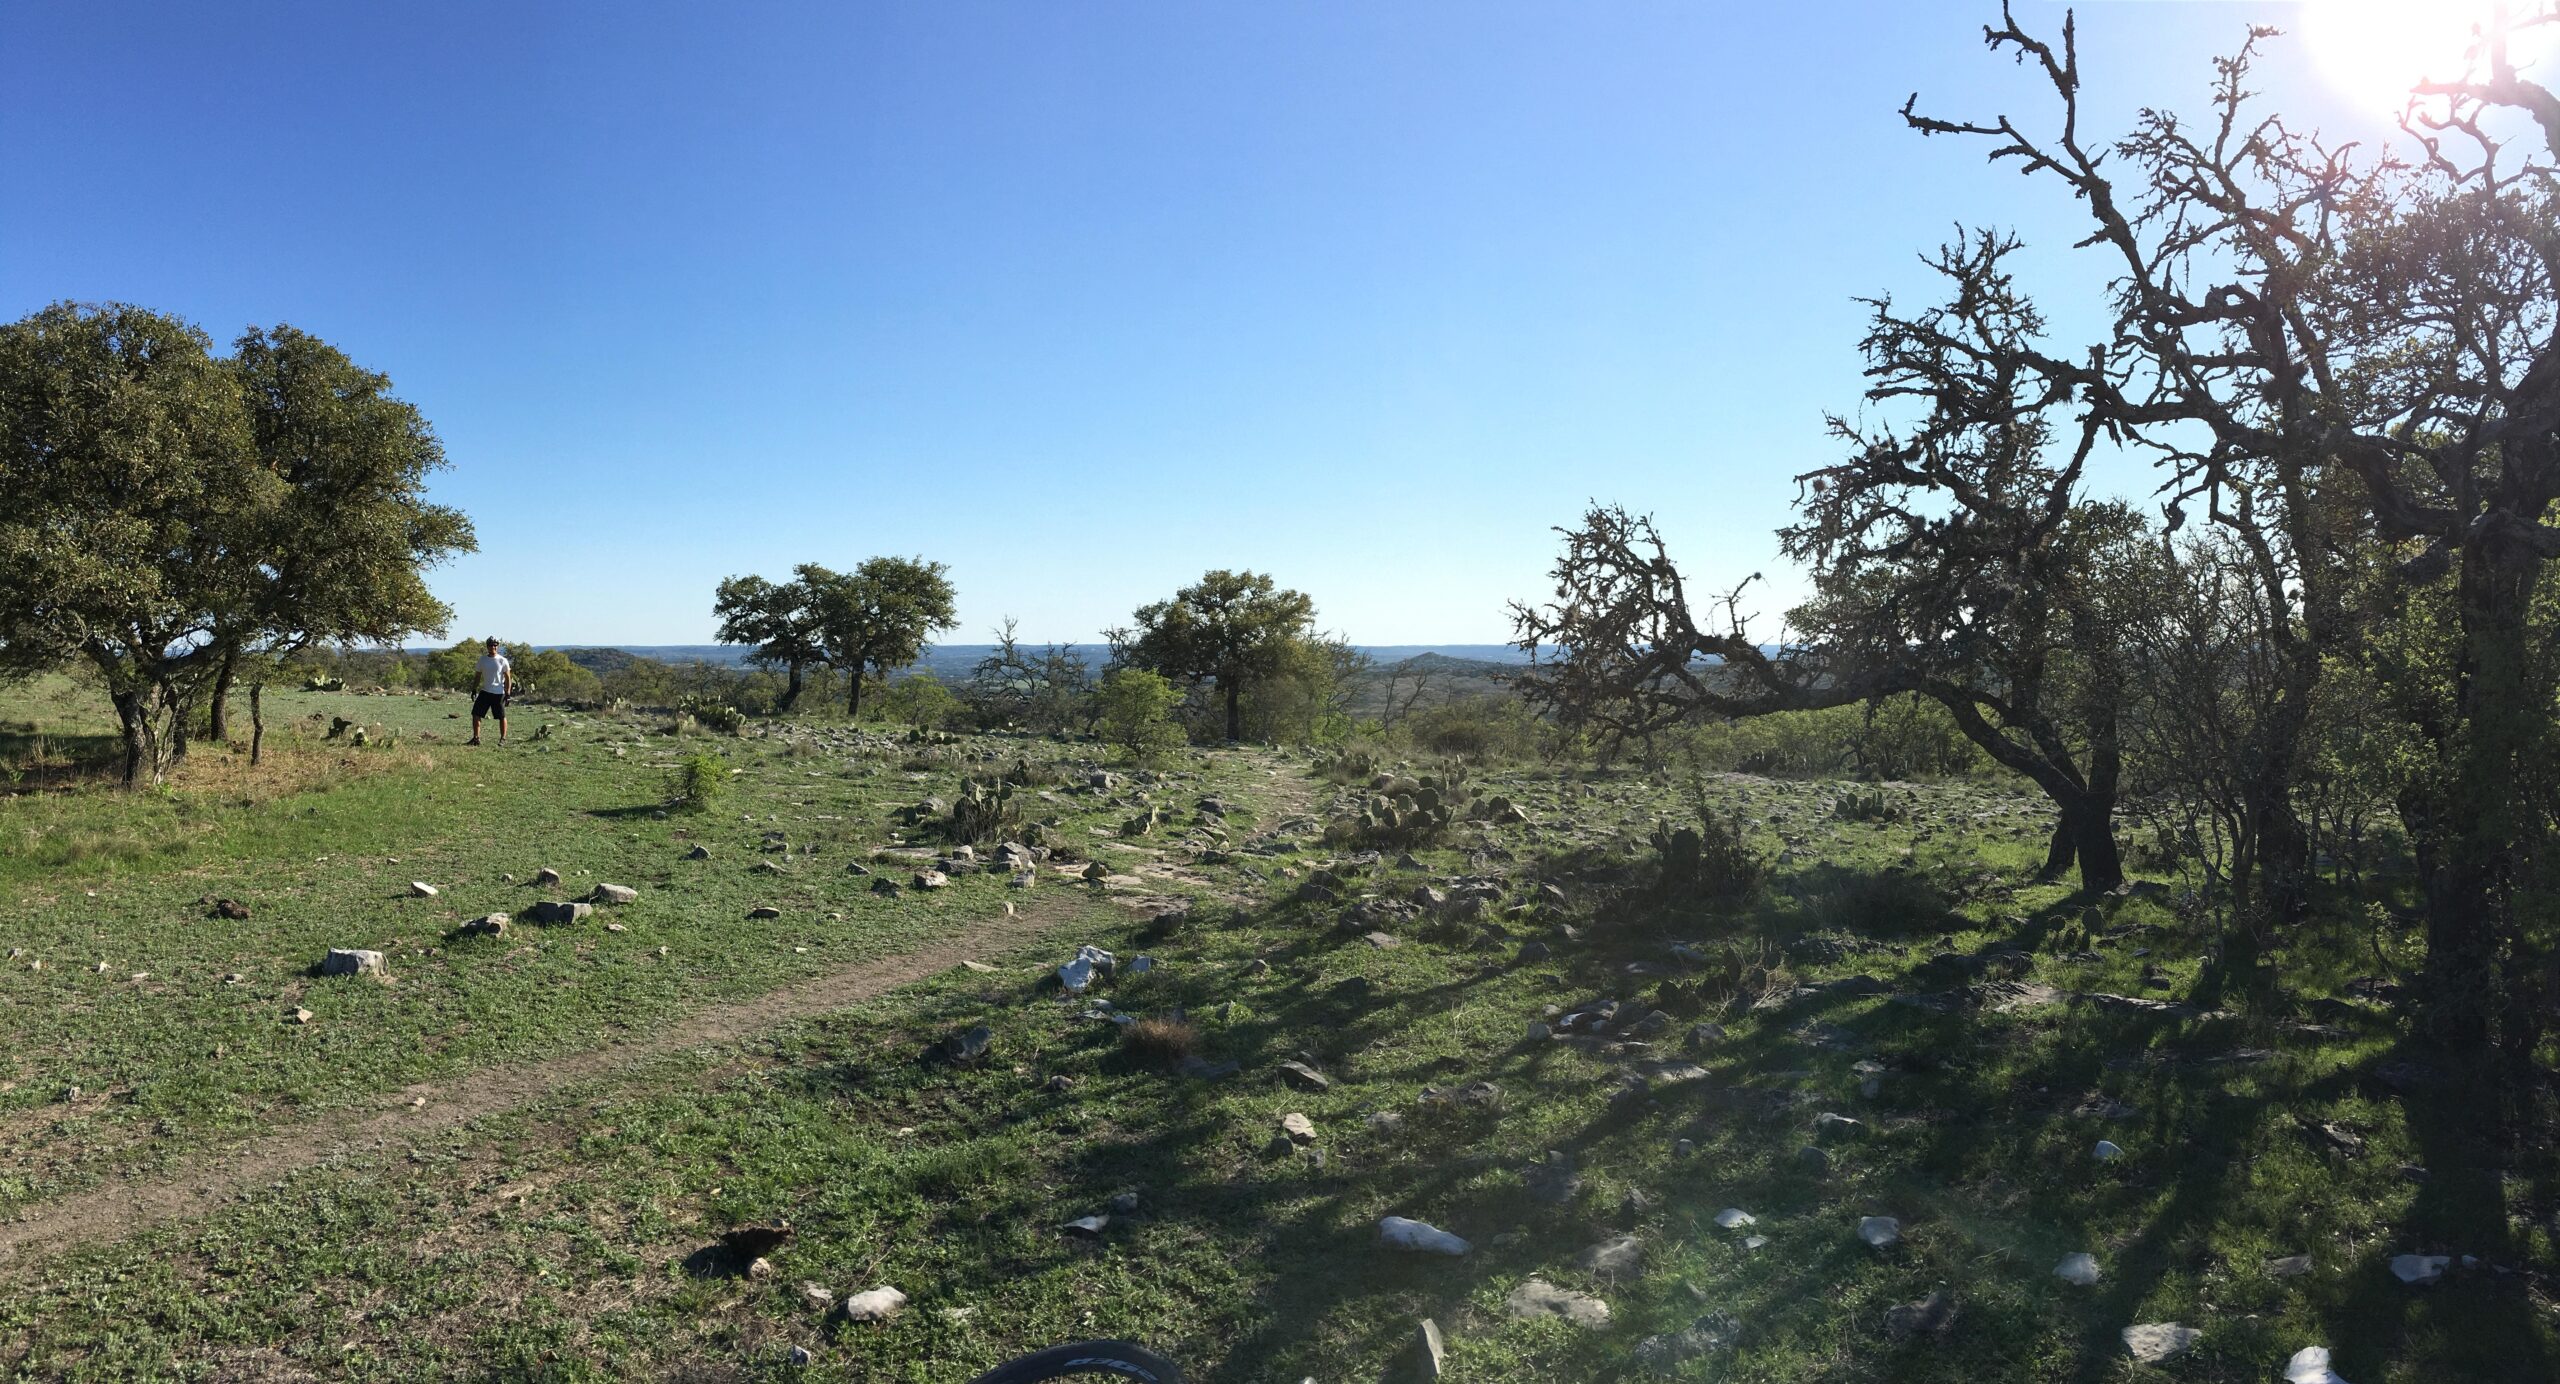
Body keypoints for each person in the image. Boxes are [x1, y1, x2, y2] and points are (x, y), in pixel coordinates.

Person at [469, 637, 514, 745]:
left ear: (497, 646)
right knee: (476, 714)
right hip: (485, 691)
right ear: (487, 646)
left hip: (498, 693)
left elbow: (508, 678)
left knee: (501, 716)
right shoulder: (482, 660)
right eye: (490, 645)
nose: (493, 647)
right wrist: (474, 689)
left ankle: (503, 739)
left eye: (495, 645)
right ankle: (476, 738)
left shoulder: (502, 660)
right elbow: (477, 676)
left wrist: (508, 693)